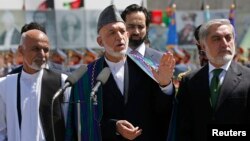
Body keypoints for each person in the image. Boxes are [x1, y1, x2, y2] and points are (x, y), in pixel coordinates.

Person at [65, 5, 175, 141]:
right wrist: (114, 127)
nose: (119, 37)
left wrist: (165, 85)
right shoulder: (88, 76)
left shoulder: (148, 67)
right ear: (100, 41)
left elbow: (163, 112)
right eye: (111, 33)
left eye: (122, 31)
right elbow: (83, 123)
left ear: (127, 36)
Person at [175, 19, 250, 141]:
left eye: (228, 37)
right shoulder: (189, 81)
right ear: (203, 46)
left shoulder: (248, 78)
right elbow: (183, 127)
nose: (225, 43)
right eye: (216, 38)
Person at [0, 28, 71, 141]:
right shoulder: (5, 86)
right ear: (21, 50)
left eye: (46, 49)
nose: (42, 54)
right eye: (36, 49)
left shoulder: (62, 82)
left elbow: (70, 125)